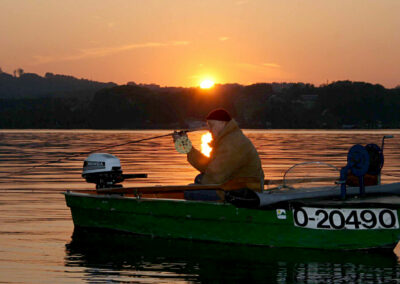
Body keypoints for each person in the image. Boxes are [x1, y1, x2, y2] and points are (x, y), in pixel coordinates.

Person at [173, 108, 264, 201]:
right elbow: (209, 167)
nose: (209, 130)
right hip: (234, 187)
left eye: (212, 126)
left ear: (223, 123)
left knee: (189, 191)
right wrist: (186, 146)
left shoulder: (232, 143)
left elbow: (215, 176)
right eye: (209, 126)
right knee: (198, 180)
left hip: (244, 193)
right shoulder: (228, 139)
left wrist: (195, 187)